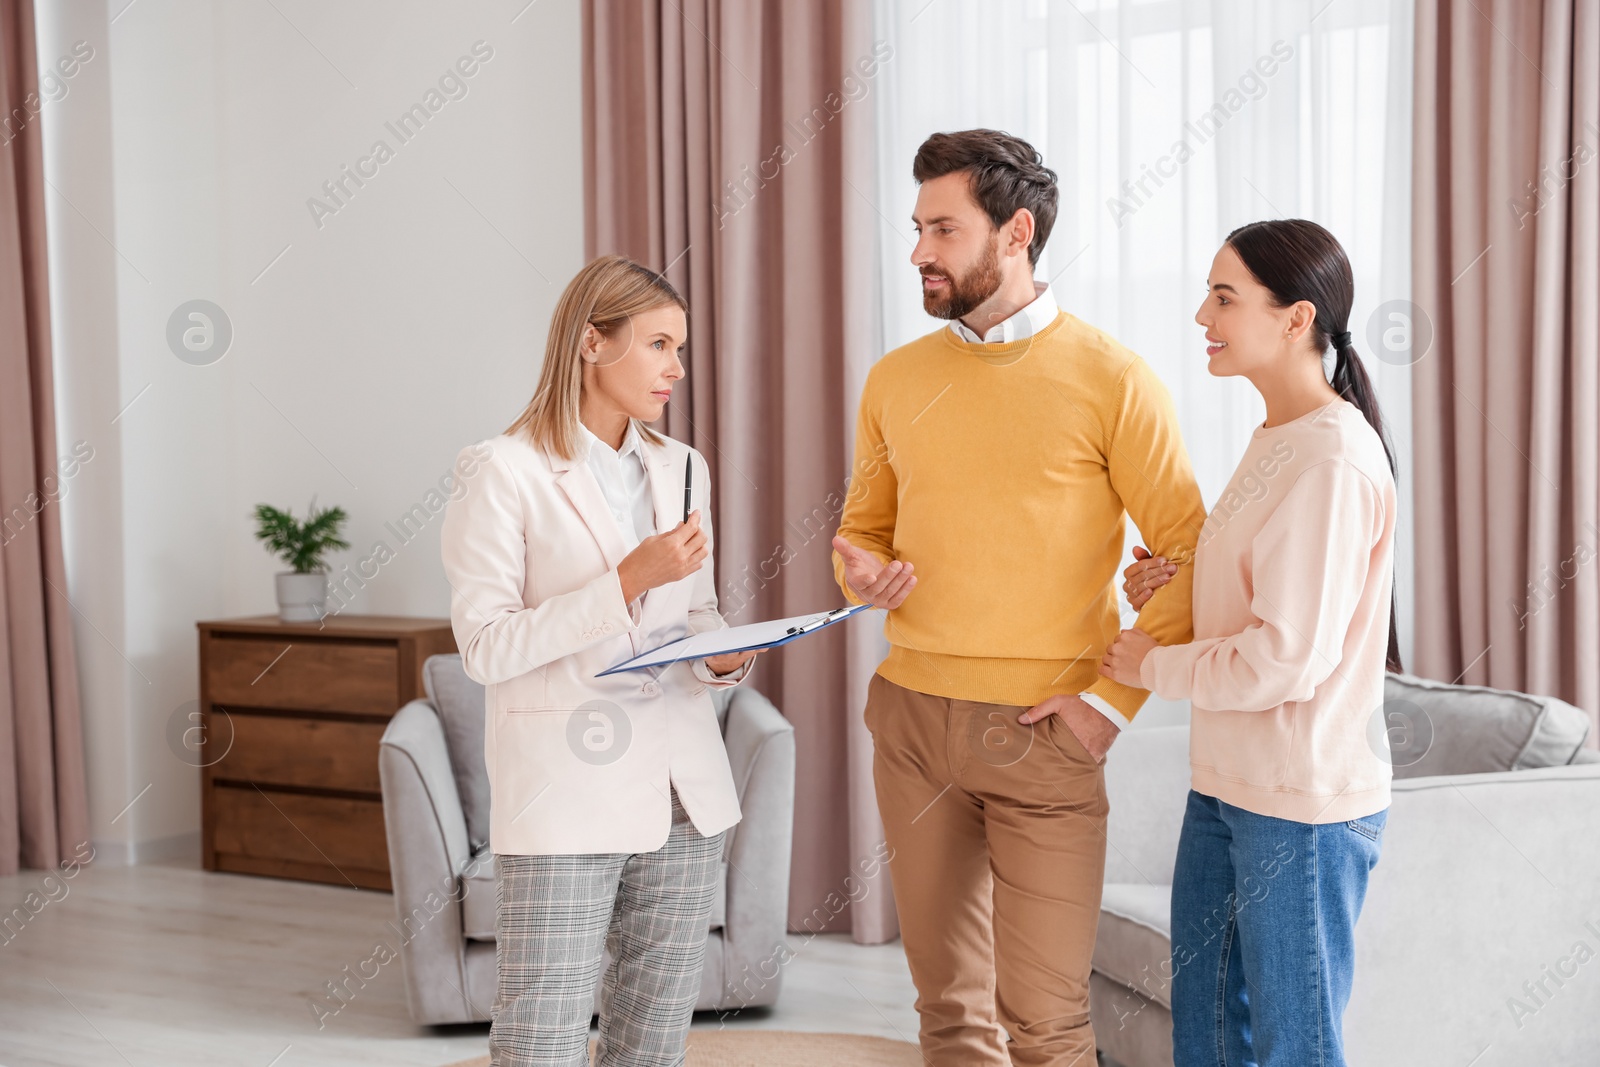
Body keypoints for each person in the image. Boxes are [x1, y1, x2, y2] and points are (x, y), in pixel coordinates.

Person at [830, 129, 1208, 1066]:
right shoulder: (894, 379)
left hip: (1047, 730)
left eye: (944, 229)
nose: (919, 250)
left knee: (1045, 1021)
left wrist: (1109, 705)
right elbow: (860, 535)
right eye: (918, 228)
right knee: (947, 1012)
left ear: (1016, 233)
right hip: (913, 719)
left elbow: (1194, 553)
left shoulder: (1116, 380)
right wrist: (860, 574)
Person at [440, 254, 759, 1067]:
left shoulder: (684, 466)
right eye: (658, 345)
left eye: (678, 348)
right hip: (565, 793)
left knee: (651, 1045)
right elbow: (485, 647)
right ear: (591, 342)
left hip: (683, 792)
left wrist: (726, 658)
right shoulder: (500, 470)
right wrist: (625, 581)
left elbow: (696, 611)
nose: (676, 368)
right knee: (541, 1042)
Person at [1101, 219, 1400, 1067]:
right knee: (1207, 1035)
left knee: (1294, 1046)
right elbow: (1265, 603)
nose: (1204, 313)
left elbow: (1286, 657)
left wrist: (1151, 663)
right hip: (1229, 785)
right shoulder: (1279, 438)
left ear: (1297, 318)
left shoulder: (1332, 459)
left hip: (1299, 805)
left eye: (1225, 297)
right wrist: (1182, 586)